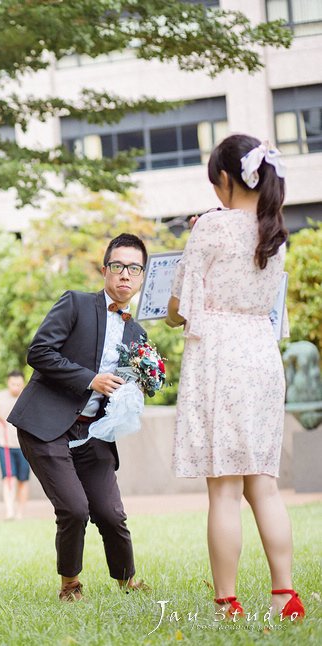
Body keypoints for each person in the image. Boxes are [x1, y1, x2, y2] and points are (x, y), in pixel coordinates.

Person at [166, 135, 303, 621]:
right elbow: (272, 308)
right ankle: (285, 597)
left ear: (226, 179)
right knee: (263, 485)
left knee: (223, 487)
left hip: (220, 356)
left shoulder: (211, 229)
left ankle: (228, 602)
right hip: (262, 355)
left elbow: (177, 308)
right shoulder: (276, 234)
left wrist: (173, 311)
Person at [7, 234, 151, 602]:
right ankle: (69, 585)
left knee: (110, 512)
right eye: (117, 266)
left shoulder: (137, 333)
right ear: (105, 270)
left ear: (141, 277)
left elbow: (130, 384)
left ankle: (127, 581)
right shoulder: (76, 303)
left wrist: (143, 385)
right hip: (46, 425)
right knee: (74, 508)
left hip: (95, 432)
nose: (125, 275)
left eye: (134, 269)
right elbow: (38, 352)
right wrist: (90, 379)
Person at [0, 370, 30, 520]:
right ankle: (9, 510)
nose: (16, 387)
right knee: (8, 478)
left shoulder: (29, 396)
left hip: (24, 445)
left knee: (23, 480)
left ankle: (20, 512)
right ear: (8, 383)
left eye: (18, 384)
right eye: (13, 384)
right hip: (4, 443)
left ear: (23, 384)